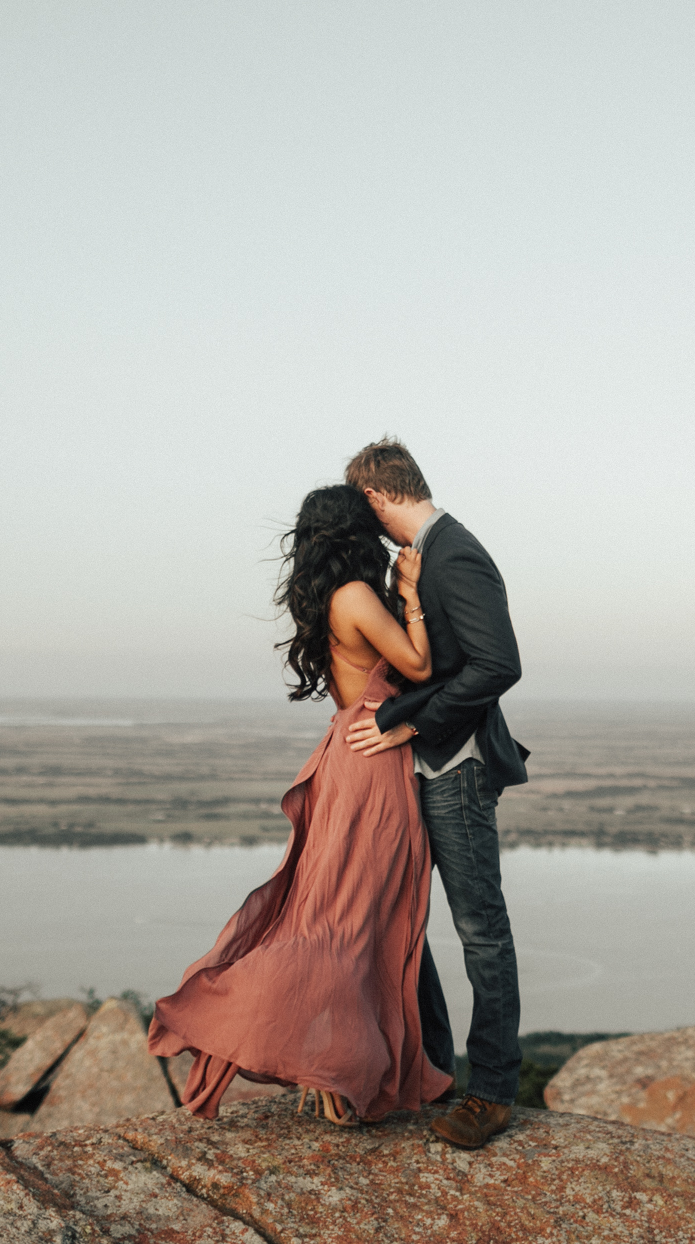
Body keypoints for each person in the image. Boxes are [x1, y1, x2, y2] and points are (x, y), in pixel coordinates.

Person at [147, 483, 455, 1124]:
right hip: (374, 763)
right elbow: (419, 667)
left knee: (343, 914)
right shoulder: (355, 596)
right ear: (355, 532)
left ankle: (331, 1066)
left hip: (349, 753)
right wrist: (416, 592)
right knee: (351, 920)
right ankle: (326, 1068)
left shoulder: (322, 597)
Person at [341, 437, 528, 1151]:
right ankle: (437, 1073)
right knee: (407, 923)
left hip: (456, 766)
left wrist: (410, 721)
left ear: (377, 495)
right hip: (420, 767)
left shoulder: (459, 552)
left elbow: (498, 664)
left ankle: (492, 1093)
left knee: (480, 929)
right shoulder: (423, 559)